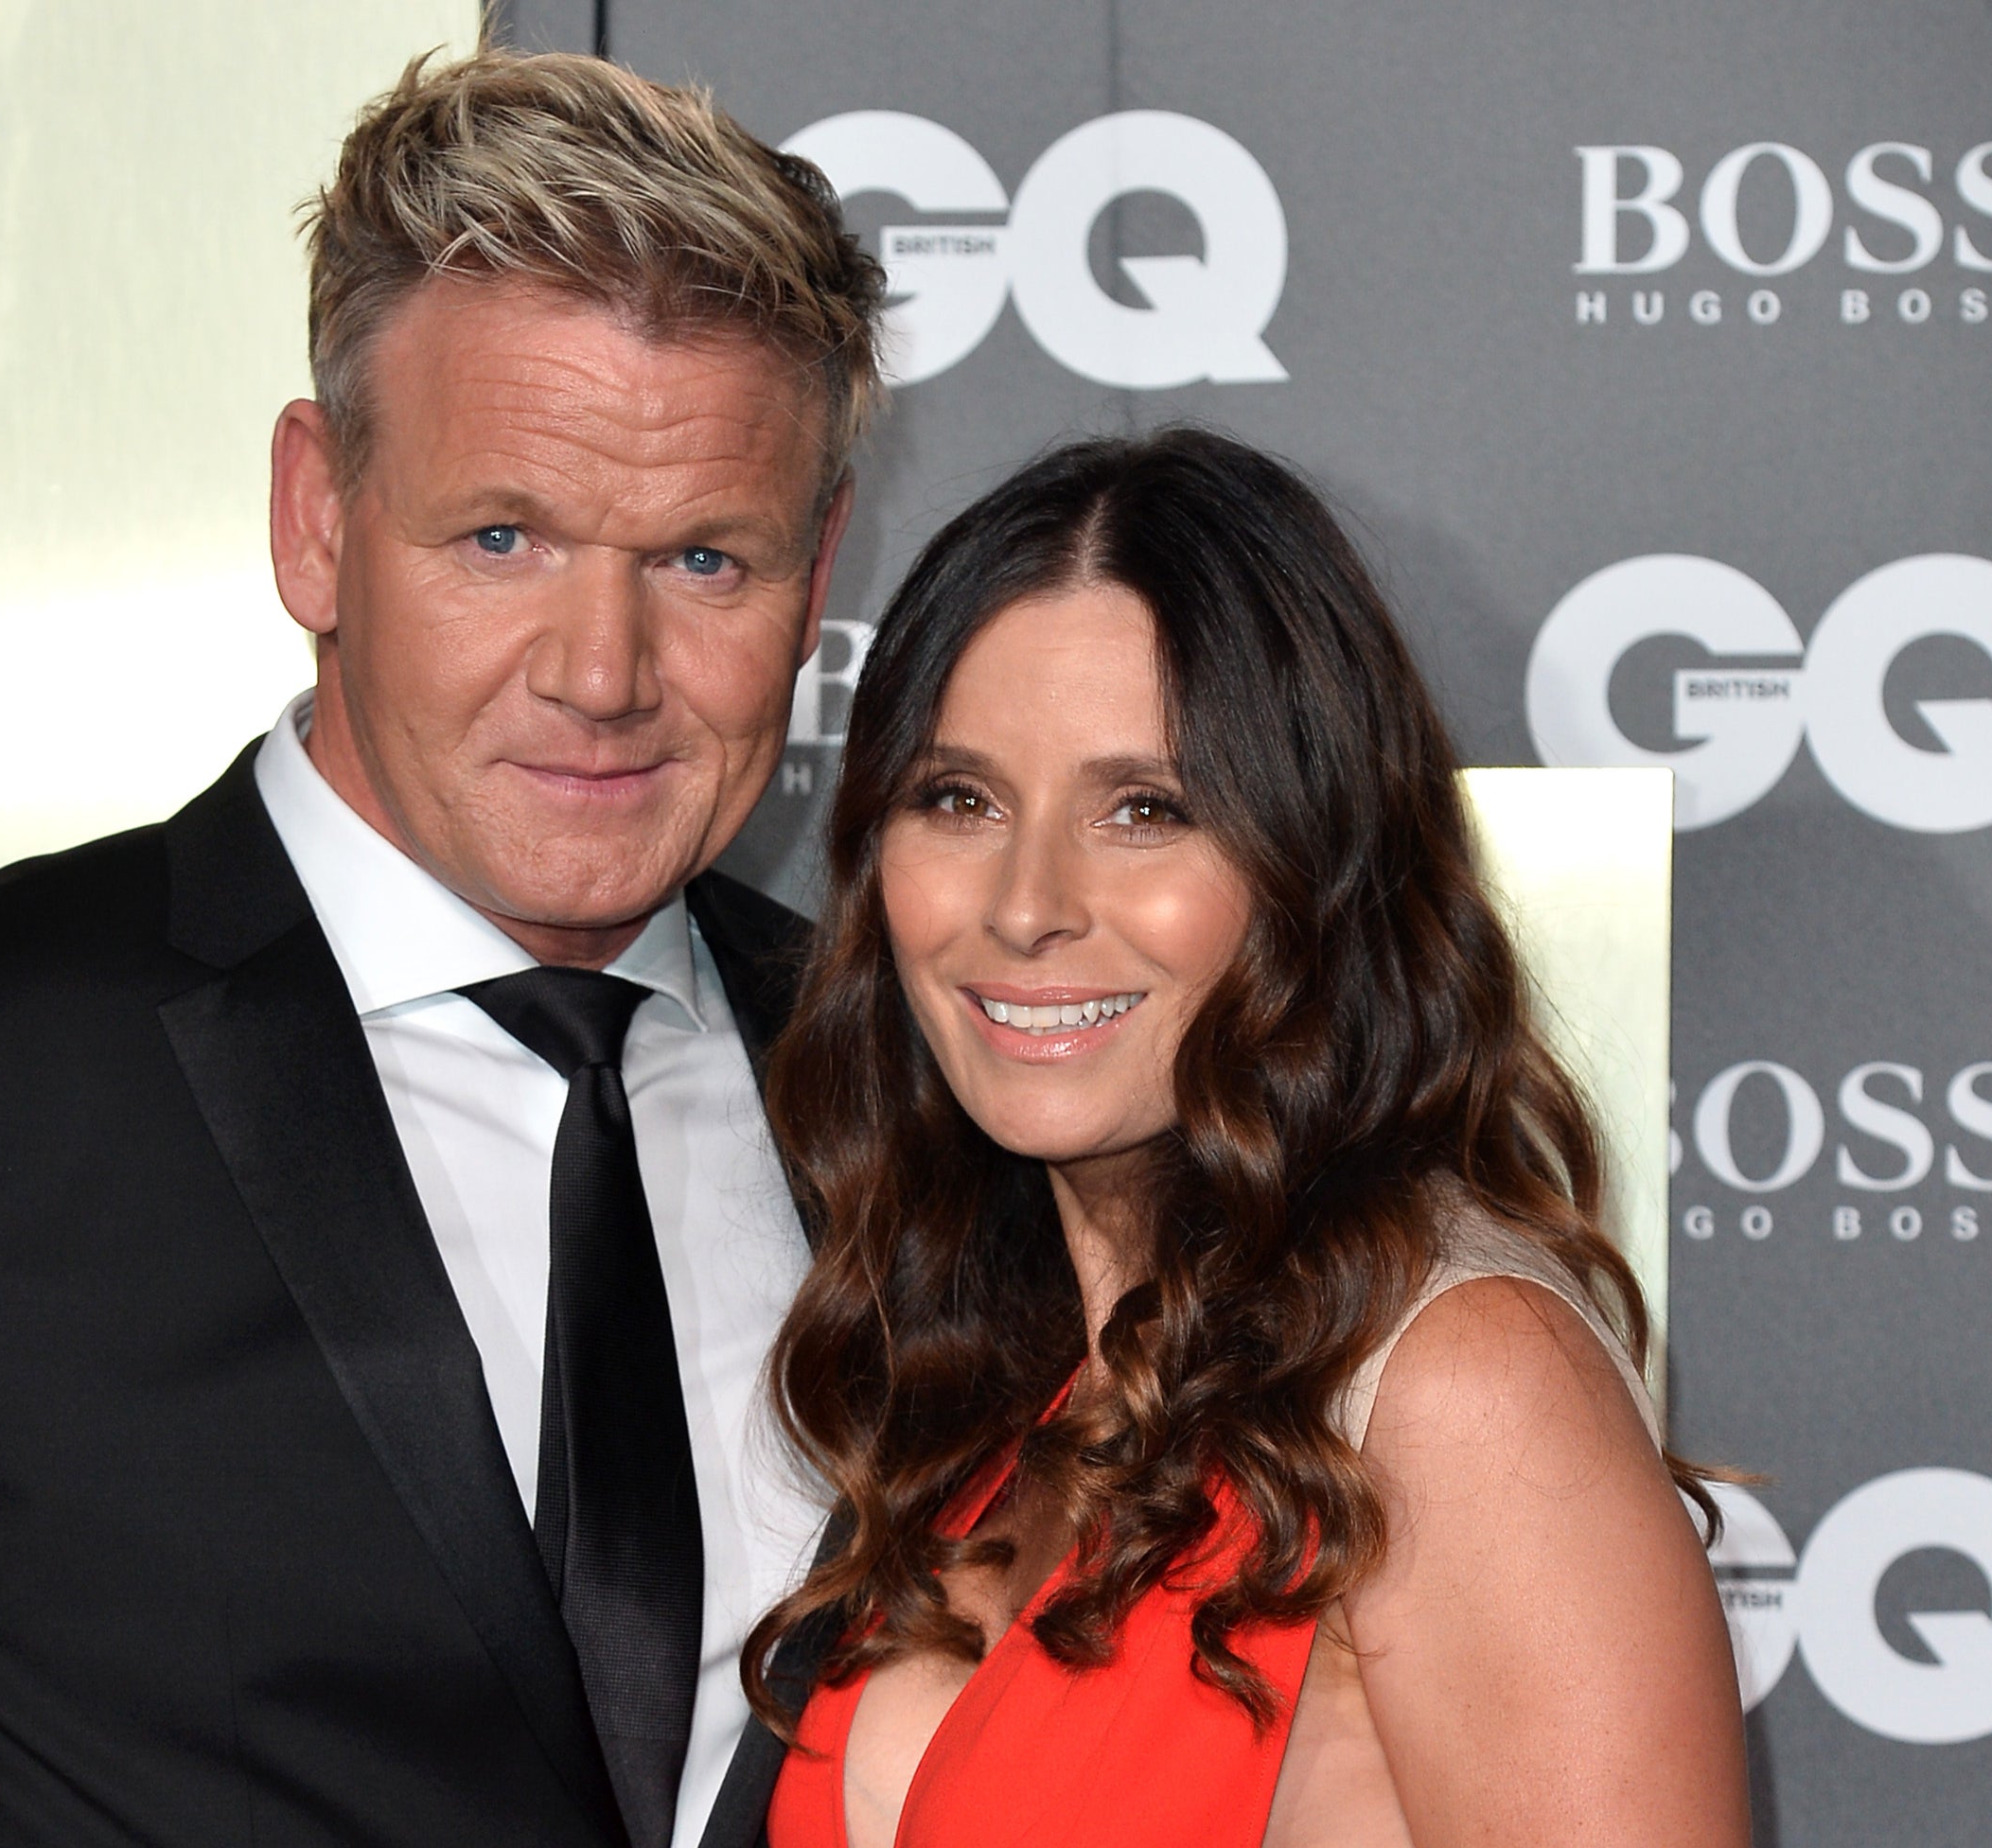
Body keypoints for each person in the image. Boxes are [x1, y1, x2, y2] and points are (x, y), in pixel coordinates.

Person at [0, 48, 880, 1848]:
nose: (602, 671)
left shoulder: (911, 1085)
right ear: (317, 517)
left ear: (817, 577)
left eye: (705, 562)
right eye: (503, 536)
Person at [747, 427, 1751, 1848]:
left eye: (1146, 810)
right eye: (958, 798)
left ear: (1312, 866)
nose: (1026, 902)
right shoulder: (999, 1380)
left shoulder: (1460, 1386)